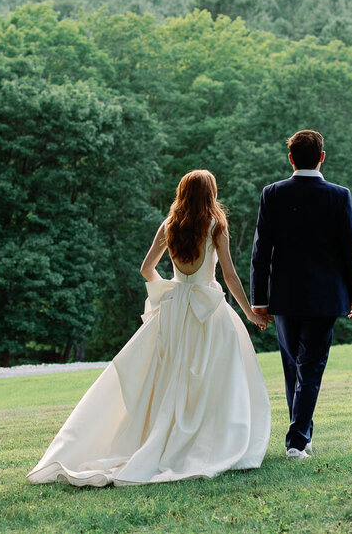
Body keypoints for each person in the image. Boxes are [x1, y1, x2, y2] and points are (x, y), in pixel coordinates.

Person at [28, 169, 271, 486]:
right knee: (214, 380)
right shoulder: (215, 226)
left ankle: (162, 438)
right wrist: (250, 313)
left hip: (172, 312)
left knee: (168, 378)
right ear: (210, 194)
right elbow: (229, 276)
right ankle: (206, 442)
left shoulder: (169, 225)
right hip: (208, 312)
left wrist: (170, 291)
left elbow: (146, 269)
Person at [250, 129, 352, 460]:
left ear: (291, 159)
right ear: (322, 157)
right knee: (310, 367)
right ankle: (298, 440)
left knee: (293, 366)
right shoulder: (339, 195)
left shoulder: (272, 193)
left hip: (284, 297)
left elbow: (261, 251)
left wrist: (259, 297)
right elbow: (351, 250)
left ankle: (302, 433)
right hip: (325, 297)